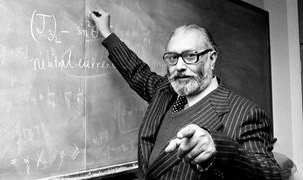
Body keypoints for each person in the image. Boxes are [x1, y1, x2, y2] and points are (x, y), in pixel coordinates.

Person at [90, 10, 282, 180]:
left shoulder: (245, 114)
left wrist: (219, 148)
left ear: (211, 58)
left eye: (190, 56)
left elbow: (271, 173)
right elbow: (137, 72)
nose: (180, 66)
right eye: (173, 57)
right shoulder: (166, 91)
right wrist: (107, 33)